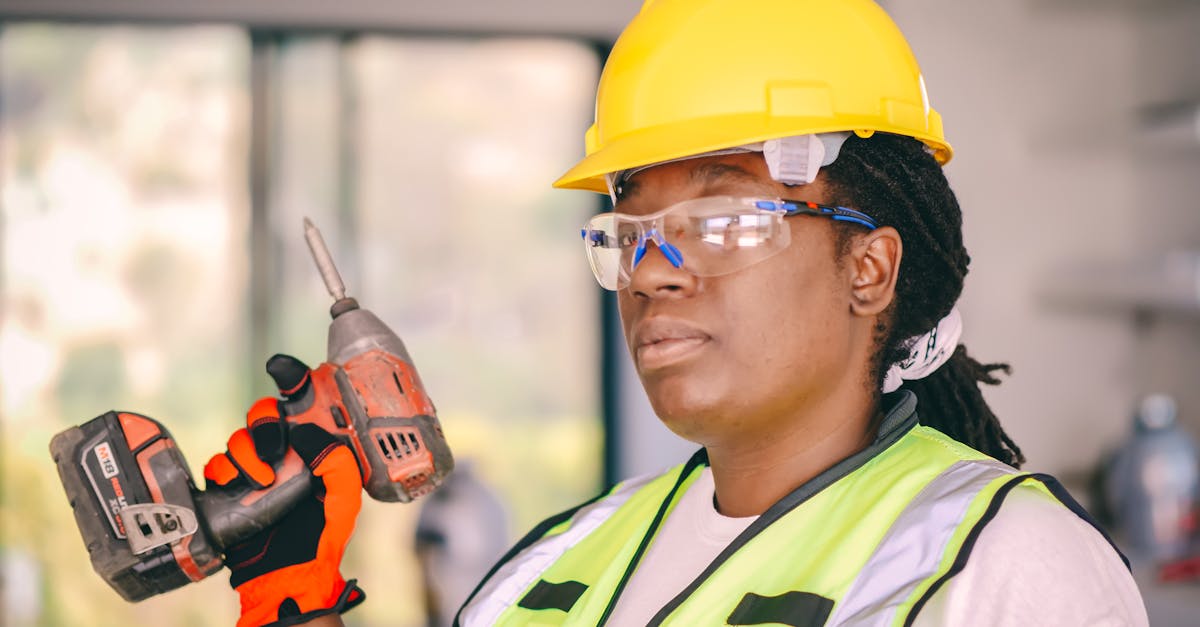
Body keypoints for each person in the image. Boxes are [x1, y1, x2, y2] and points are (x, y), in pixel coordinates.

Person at [205, 0, 1149, 625]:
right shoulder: (552, 568)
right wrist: (300, 600)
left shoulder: (1005, 567)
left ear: (870, 265)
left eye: (724, 218)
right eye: (631, 230)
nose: (654, 272)